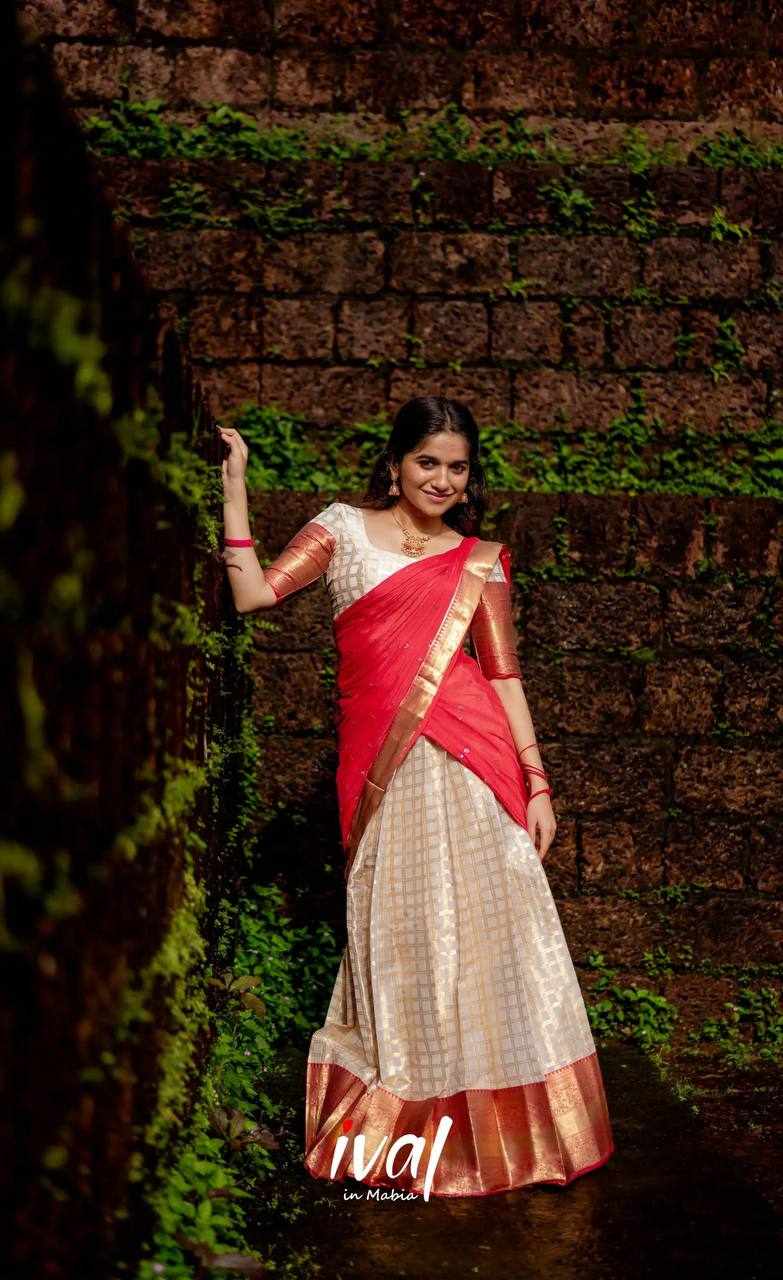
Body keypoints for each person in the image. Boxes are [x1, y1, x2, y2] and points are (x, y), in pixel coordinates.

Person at [218, 395, 614, 1198]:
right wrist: (234, 486)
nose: (441, 479)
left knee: (497, 931)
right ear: (395, 463)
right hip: (383, 766)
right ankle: (409, 1118)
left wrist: (537, 781)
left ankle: (510, 1133)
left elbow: (502, 676)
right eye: (426, 461)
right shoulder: (339, 530)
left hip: (475, 763)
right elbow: (252, 595)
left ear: (469, 478)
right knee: (399, 932)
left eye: (456, 467)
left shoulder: (478, 560)